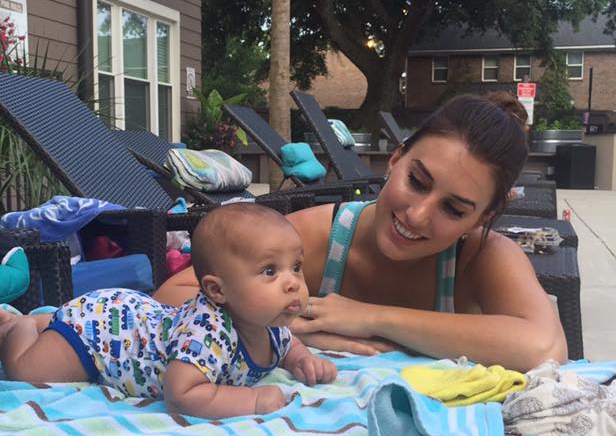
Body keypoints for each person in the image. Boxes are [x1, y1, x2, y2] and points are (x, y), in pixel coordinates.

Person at [156, 93, 567, 373]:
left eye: (454, 209)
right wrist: (275, 327)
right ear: (396, 159)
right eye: (417, 181)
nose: (417, 215)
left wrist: (370, 318)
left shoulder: (483, 257)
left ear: (481, 218)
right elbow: (170, 296)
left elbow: (545, 348)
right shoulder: (318, 236)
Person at [0, 203, 336, 419]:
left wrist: (301, 359)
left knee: (51, 342)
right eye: (270, 271)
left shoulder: (269, 321)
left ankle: (47, 322)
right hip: (101, 338)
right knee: (28, 371)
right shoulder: (208, 334)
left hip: (133, 316)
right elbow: (181, 394)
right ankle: (18, 328)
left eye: (296, 267)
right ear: (217, 290)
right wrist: (253, 400)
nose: (293, 283)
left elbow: (286, 345)